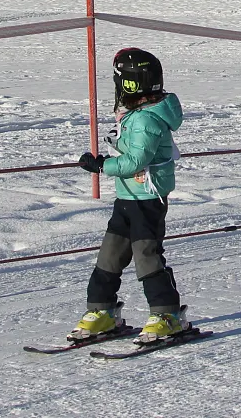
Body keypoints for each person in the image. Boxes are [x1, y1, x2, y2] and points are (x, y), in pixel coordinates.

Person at [70, 47, 191, 343]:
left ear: (129, 84)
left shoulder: (146, 120)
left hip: (147, 200)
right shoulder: (136, 114)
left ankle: (167, 315)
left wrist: (101, 165)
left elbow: (137, 161)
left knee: (146, 257)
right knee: (109, 256)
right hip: (127, 198)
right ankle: (102, 311)